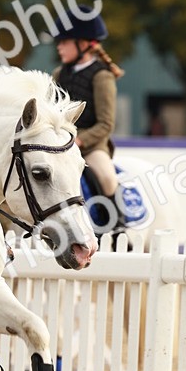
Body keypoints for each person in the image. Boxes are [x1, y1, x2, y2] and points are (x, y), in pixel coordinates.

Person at [51, 14, 128, 235]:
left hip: (92, 146)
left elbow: (106, 124)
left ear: (83, 44)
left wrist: (80, 140)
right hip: (60, 142)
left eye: (64, 42)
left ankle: (117, 226)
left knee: (106, 176)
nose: (59, 47)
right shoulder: (59, 74)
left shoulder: (102, 77)